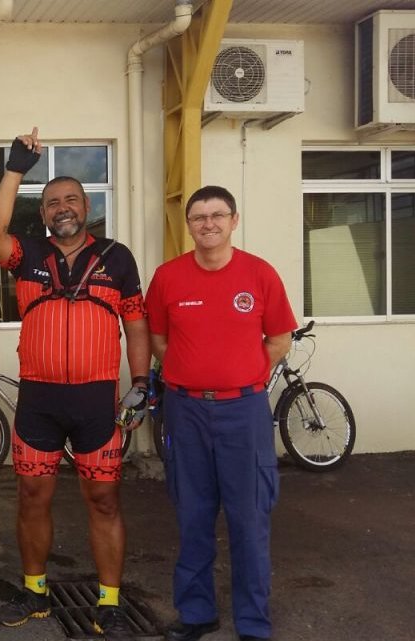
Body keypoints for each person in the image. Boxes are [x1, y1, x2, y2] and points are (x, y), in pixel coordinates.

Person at [0, 128, 150, 640]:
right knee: (32, 495)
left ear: (87, 205)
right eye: (52, 202)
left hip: (97, 399)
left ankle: (110, 602)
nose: (62, 208)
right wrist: (14, 170)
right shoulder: (27, 254)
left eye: (71, 199)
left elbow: (136, 324)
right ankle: (35, 591)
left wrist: (140, 382)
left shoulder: (117, 257)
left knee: (104, 501)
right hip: (41, 400)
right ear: (44, 212)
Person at [145, 186, 295, 641]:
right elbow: (160, 340)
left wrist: (240, 377)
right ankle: (197, 614)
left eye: (217, 215)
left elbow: (279, 340)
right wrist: (196, 375)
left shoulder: (260, 274)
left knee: (249, 519)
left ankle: (252, 622)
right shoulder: (168, 277)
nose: (207, 223)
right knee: (193, 514)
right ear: (188, 225)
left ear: (234, 220)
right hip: (186, 409)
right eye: (198, 217)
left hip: (243, 411)